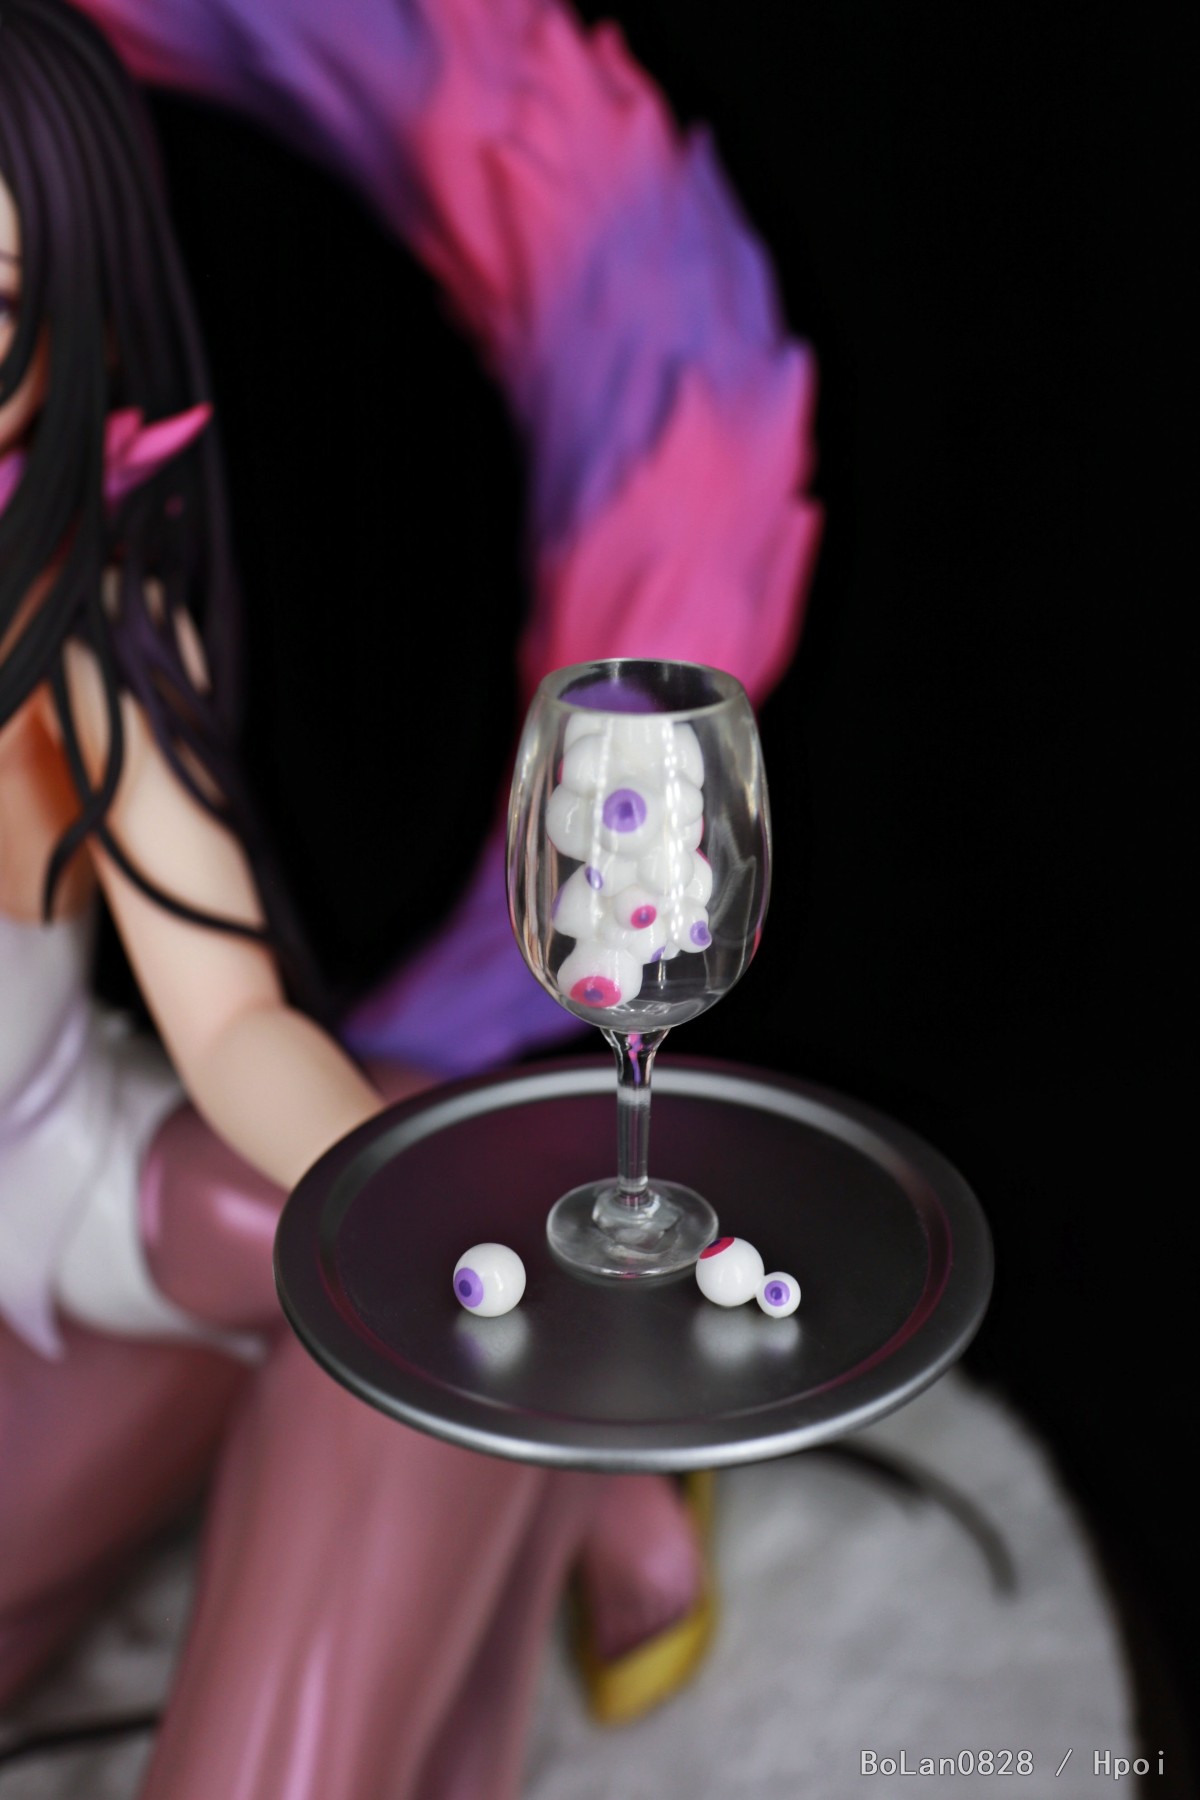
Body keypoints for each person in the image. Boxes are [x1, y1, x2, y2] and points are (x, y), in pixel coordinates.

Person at [2, 0, 820, 1790]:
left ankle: (578, 1432)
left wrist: (402, 1210)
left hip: (52, 1198)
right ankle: (601, 1482)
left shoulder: (69, 655)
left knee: (450, 1266)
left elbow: (228, 1017)